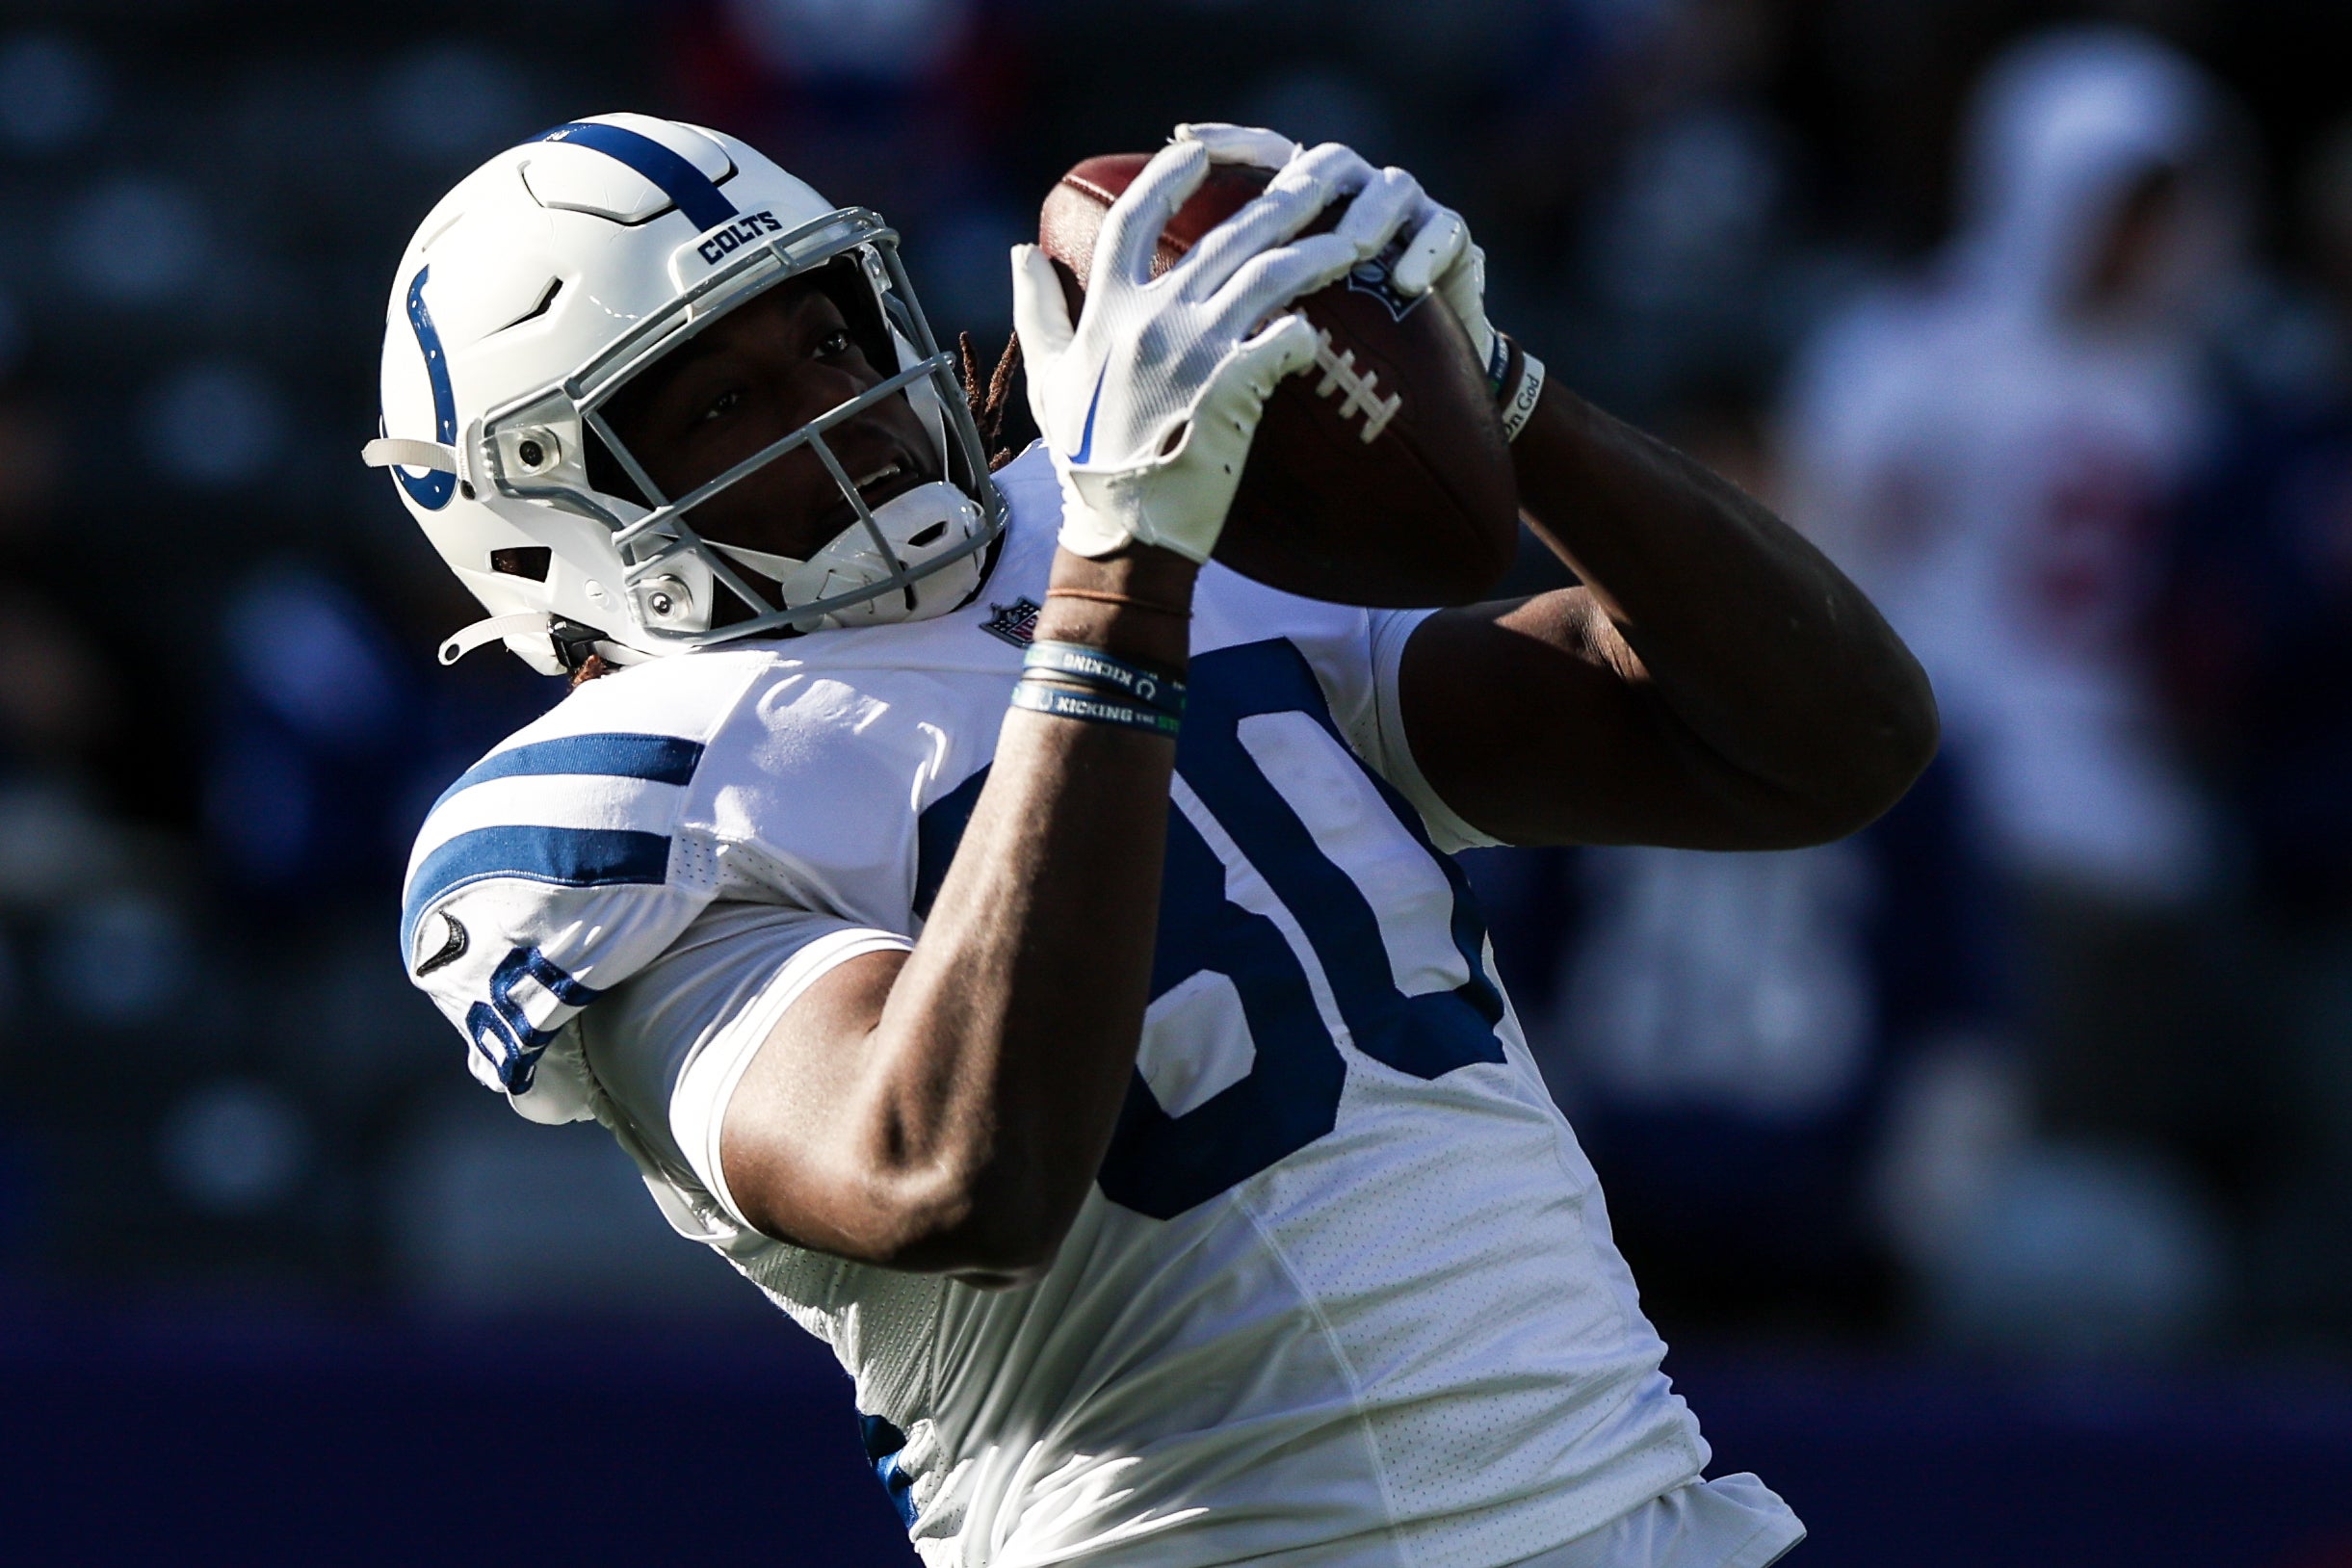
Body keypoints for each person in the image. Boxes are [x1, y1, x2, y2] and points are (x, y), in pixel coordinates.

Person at [375, 113, 1932, 1566]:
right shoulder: (606, 805)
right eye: (726, 403)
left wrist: (1502, 395)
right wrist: (1123, 571)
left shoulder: (1115, 510)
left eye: (832, 335)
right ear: (537, 520)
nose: (845, 414)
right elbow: (943, 1172)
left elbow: (1814, 750)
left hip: (1635, 1509)